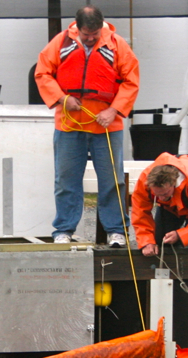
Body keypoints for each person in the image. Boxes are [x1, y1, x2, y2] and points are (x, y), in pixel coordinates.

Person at [35, 5, 139, 246]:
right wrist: (63, 98)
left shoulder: (117, 44)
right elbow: (43, 73)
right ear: (77, 28)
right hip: (69, 124)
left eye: (95, 34)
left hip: (107, 124)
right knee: (66, 180)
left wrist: (113, 110)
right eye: (86, 35)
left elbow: (131, 81)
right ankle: (63, 230)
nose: (91, 39)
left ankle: (116, 231)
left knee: (113, 180)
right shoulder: (60, 42)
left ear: (102, 26)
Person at [131, 152, 188, 257]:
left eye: (164, 193)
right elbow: (140, 213)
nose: (161, 198)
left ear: (174, 183)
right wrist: (146, 241)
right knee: (161, 240)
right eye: (157, 195)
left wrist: (180, 235)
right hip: (171, 204)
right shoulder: (145, 182)